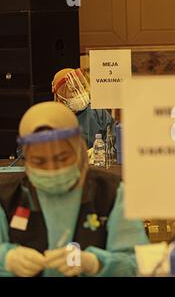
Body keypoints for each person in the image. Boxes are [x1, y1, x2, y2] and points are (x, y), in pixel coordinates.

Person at [0, 102, 148, 277]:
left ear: (79, 150)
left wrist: (96, 263)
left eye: (62, 158)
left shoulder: (111, 193)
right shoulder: (7, 196)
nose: (51, 168)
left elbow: (137, 263)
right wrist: (6, 258)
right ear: (26, 158)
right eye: (39, 162)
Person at [52, 68, 114, 148]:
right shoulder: (52, 120)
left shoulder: (97, 112)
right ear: (60, 95)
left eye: (82, 87)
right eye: (74, 90)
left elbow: (113, 142)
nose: (80, 93)